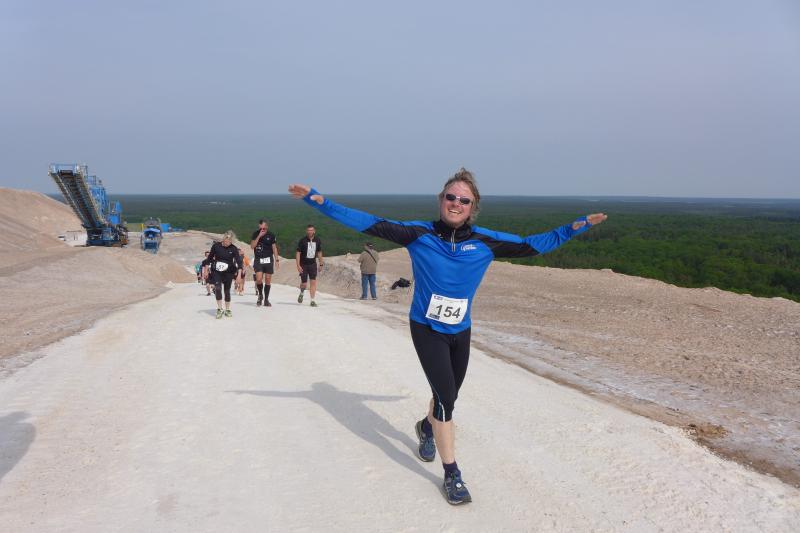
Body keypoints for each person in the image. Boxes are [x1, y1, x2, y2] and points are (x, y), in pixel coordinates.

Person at [289, 169, 607, 505]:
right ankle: (452, 473)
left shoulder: (486, 241)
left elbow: (534, 245)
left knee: (449, 396)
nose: (456, 203)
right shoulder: (418, 234)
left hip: (460, 330)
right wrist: (319, 201)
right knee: (444, 402)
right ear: (441, 200)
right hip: (426, 328)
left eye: (463, 200)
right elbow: (368, 222)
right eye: (450, 197)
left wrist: (576, 227)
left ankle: (426, 428)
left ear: (472, 207)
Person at [202, 231, 243, 319]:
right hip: (217, 271)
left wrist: (239, 275)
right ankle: (220, 309)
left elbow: (239, 262)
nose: (228, 242)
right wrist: (206, 270)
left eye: (230, 241)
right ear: (224, 238)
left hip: (228, 272)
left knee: (227, 291)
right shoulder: (216, 246)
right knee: (217, 288)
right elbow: (209, 258)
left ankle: (227, 309)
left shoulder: (234, 248)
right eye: (227, 240)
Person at [250, 219, 279, 307]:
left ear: (267, 226)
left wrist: (277, 260)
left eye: (264, 228)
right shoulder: (255, 234)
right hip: (258, 259)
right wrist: (259, 236)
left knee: (268, 279)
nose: (262, 229)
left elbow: (274, 248)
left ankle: (266, 299)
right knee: (259, 279)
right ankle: (260, 295)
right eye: (261, 228)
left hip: (268, 259)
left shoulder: (271, 235)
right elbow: (252, 246)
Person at [295, 224, 323, 307]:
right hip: (303, 264)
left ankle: (312, 300)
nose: (310, 232)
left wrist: (321, 263)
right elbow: (298, 253)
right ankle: (302, 292)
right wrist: (298, 265)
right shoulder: (302, 241)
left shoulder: (317, 240)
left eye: (311, 230)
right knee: (304, 283)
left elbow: (319, 252)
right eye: (308, 230)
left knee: (313, 282)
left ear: (314, 231)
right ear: (306, 231)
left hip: (312, 264)